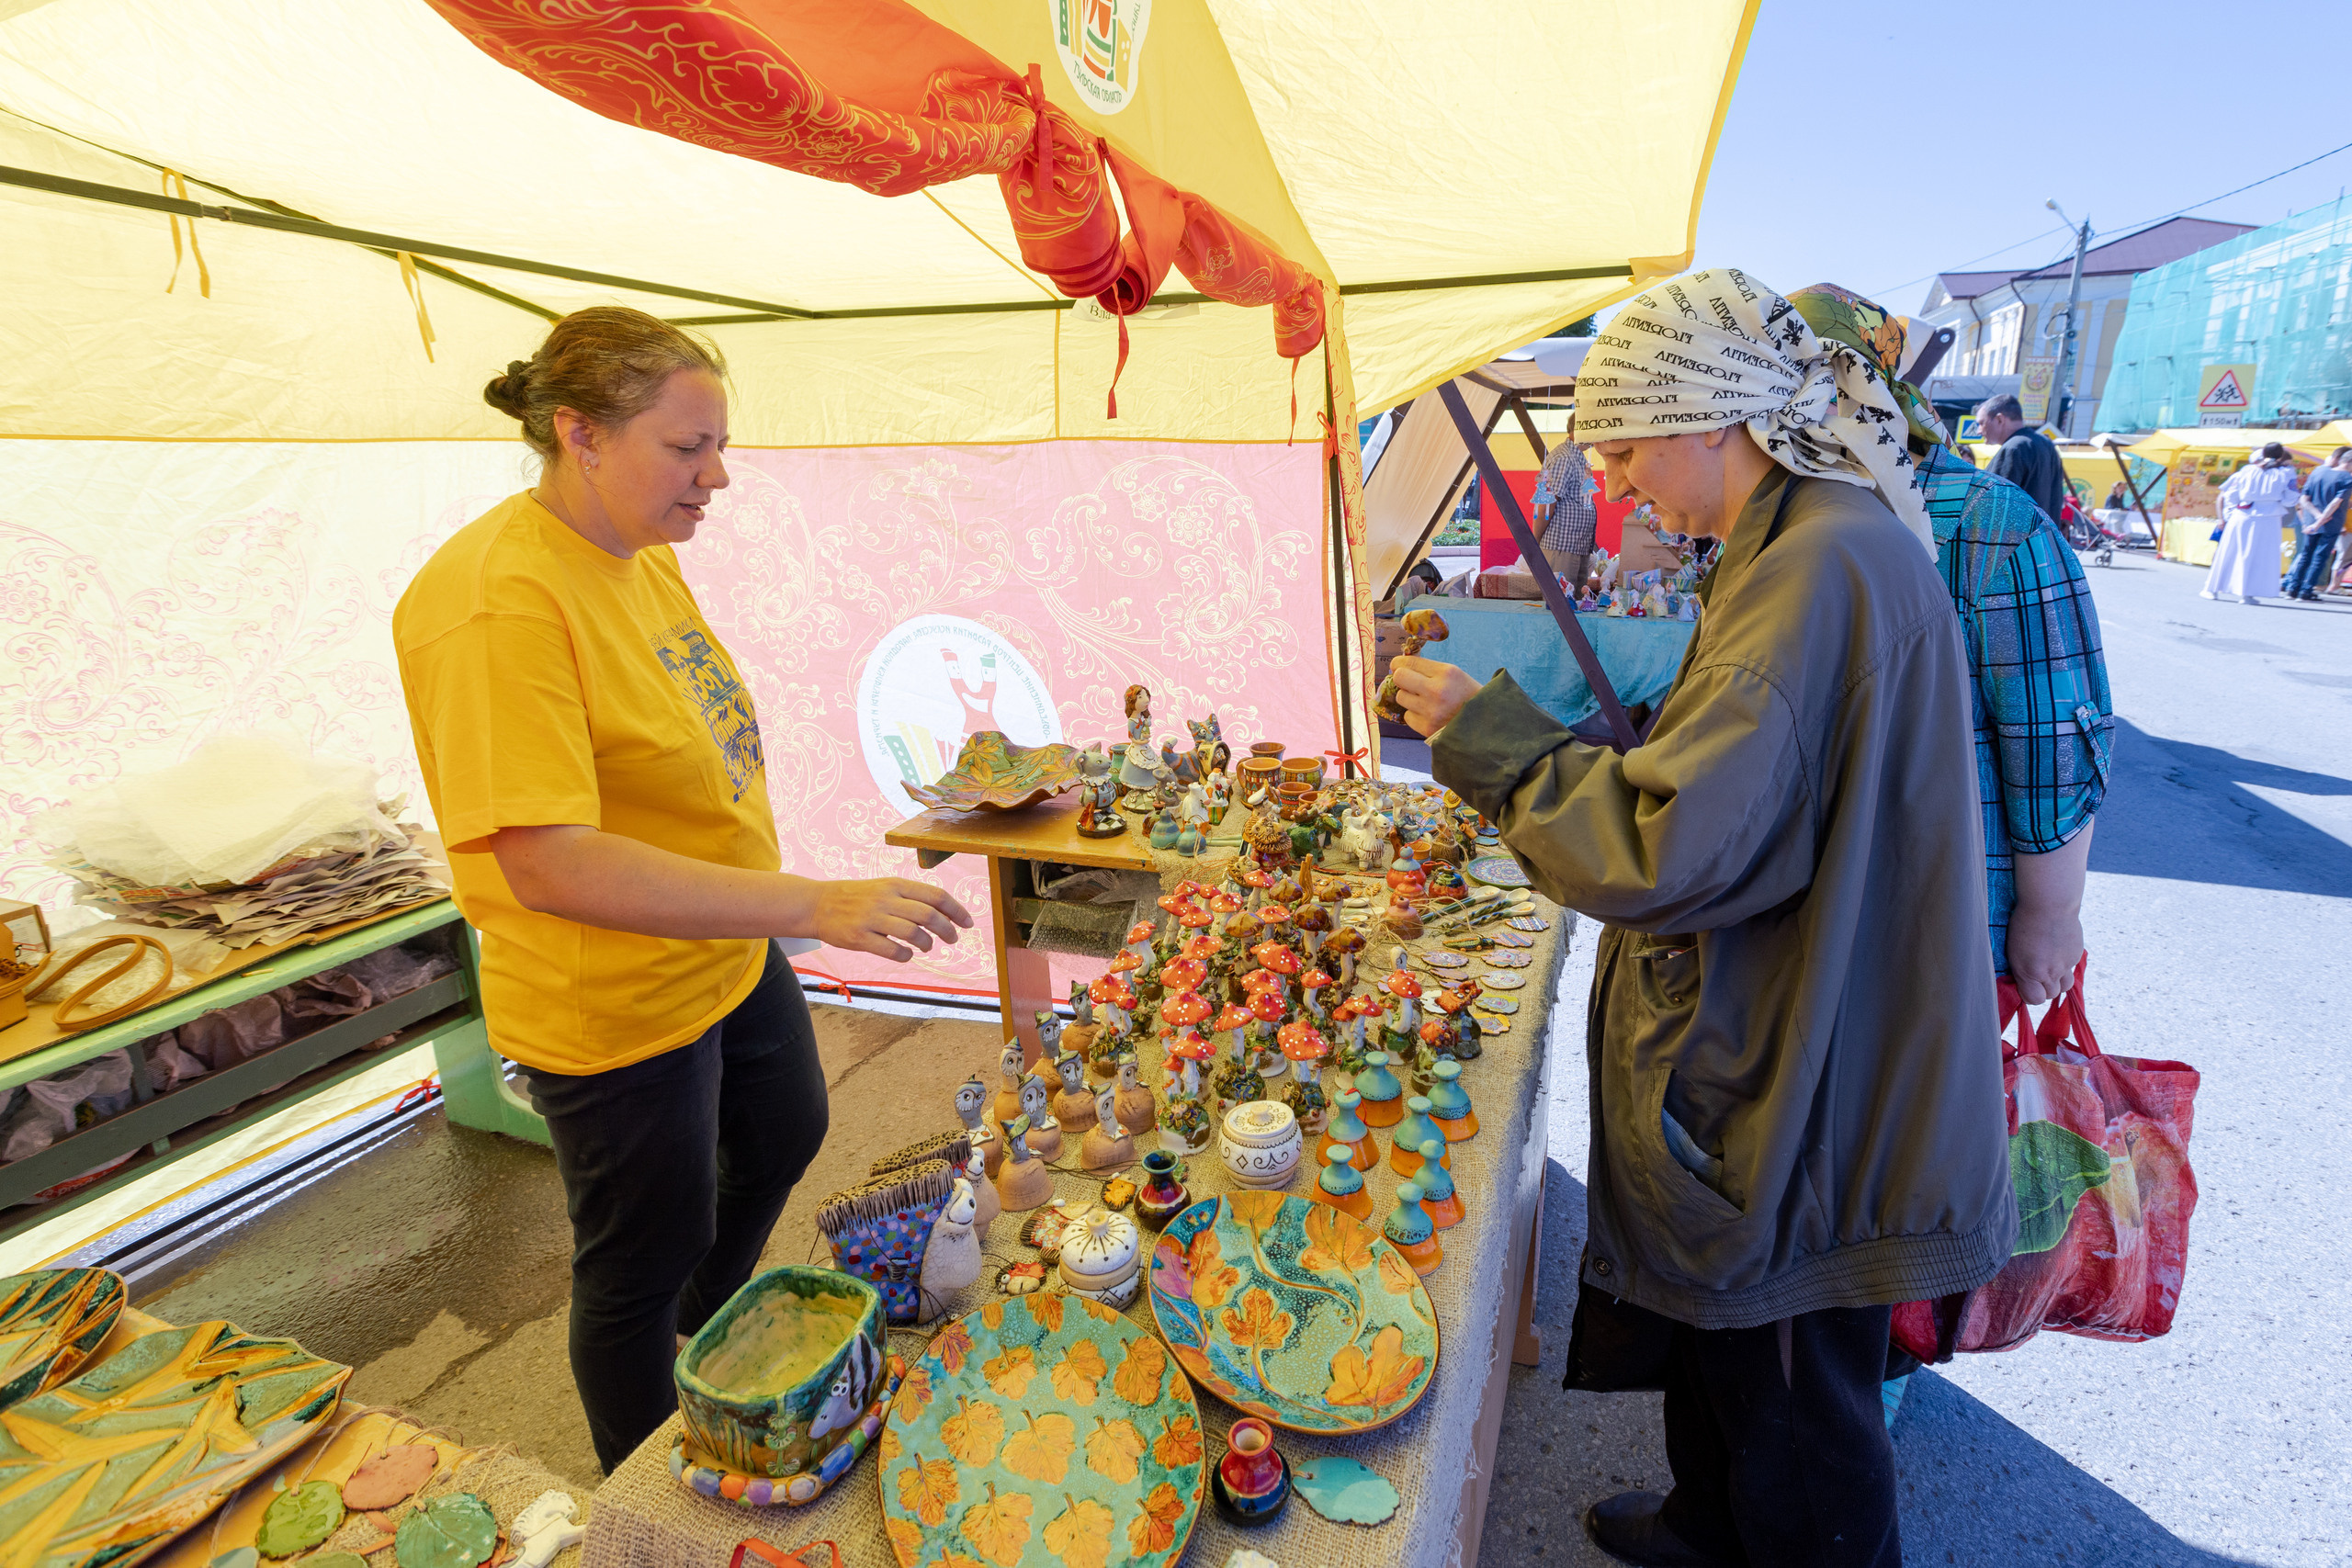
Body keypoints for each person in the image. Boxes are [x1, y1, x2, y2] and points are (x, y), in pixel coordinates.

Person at [1393, 269, 2014, 1568]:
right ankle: (1703, 1525)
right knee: (1733, 1361)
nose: (1614, 483)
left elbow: (1667, 845)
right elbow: (1736, 774)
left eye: (1622, 447)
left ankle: (1756, 1535)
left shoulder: (1817, 566)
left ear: (1706, 420)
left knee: (1799, 1416)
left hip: (1815, 1069)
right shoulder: (1805, 540)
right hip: (1801, 1012)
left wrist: (1483, 732)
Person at [392, 307, 974, 1472]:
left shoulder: (634, 554)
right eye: (687, 447)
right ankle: (653, 1493)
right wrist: (810, 904)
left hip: (714, 942)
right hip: (608, 1000)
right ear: (581, 434)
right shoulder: (499, 600)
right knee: (635, 1262)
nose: (718, 476)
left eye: (718, 445)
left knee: (785, 1128)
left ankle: (704, 1347)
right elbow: (547, 859)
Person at [1791, 284, 2111, 1007]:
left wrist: (2051, 914)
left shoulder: (1991, 521)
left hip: (1948, 917)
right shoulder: (1791, 506)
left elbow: (2052, 736)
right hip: (1812, 912)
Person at [2202, 441, 2300, 604]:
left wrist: (2230, 514)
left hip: (2243, 514)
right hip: (2269, 516)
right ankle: (2246, 593)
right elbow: (2291, 499)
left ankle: (2212, 588)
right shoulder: (2286, 473)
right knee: (2260, 555)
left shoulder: (2247, 471)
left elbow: (2231, 495)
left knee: (2230, 551)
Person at [1976, 392, 2067, 522]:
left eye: (1981, 423)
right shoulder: (2046, 445)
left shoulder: (2013, 448)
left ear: (2000, 420)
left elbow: (1992, 504)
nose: (1979, 431)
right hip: (2042, 539)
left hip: (2015, 539)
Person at [1531, 412, 1599, 585]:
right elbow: (1546, 504)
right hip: (1561, 546)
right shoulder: (1564, 458)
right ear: (1578, 430)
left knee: (1575, 603)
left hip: (1575, 546)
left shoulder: (1576, 457)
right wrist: (1535, 541)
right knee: (1562, 603)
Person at [2288, 446, 2351, 601]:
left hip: (2311, 521)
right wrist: (2322, 519)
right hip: (2331, 523)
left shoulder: (2318, 472)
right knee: (2319, 557)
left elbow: (2303, 499)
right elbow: (2335, 503)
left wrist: (2315, 518)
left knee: (2306, 554)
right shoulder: (2347, 479)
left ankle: (2292, 589)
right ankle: (2306, 590)